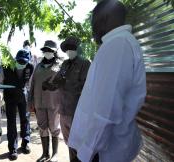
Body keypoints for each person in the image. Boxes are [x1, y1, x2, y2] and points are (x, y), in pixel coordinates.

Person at [68, 1, 147, 162]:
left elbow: (107, 110)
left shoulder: (118, 45)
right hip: (103, 149)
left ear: (103, 21)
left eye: (93, 24)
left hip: (103, 153)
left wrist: (86, 152)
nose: (92, 31)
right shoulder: (119, 43)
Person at [42, 36, 90, 162]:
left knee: (79, 144)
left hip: (77, 112)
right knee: (69, 143)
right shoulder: (64, 64)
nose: (69, 51)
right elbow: (57, 82)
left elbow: (86, 86)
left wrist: (66, 83)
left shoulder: (85, 63)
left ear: (77, 48)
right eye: (67, 48)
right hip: (63, 110)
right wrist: (48, 85)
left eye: (72, 48)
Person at [29, 40, 62, 162]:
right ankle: (45, 154)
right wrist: (30, 102)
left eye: (50, 51)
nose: (47, 52)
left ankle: (55, 154)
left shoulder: (59, 65)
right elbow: (32, 84)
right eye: (46, 50)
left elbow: (63, 85)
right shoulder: (38, 66)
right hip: (39, 102)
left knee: (54, 127)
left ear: (54, 52)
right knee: (42, 127)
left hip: (54, 103)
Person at [0, 49, 34, 160]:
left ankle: (25, 143)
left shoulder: (30, 67)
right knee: (11, 122)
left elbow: (30, 82)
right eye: (20, 61)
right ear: (15, 59)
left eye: (24, 62)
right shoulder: (5, 66)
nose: (22, 64)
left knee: (25, 119)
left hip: (23, 96)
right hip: (10, 97)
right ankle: (12, 149)